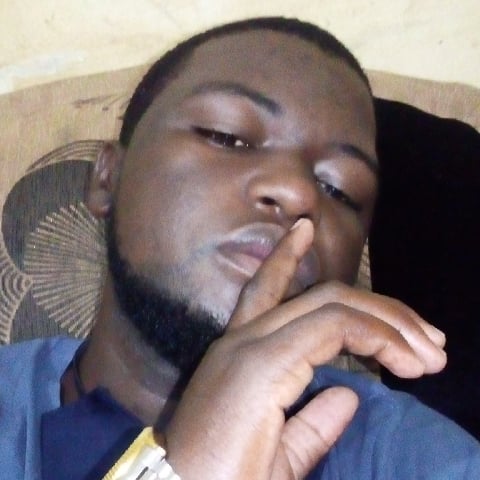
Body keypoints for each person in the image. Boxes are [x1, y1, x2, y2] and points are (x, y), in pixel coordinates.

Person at [1, 16, 479, 480]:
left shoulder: (420, 458)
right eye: (227, 136)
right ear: (108, 177)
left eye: (340, 189)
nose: (297, 192)